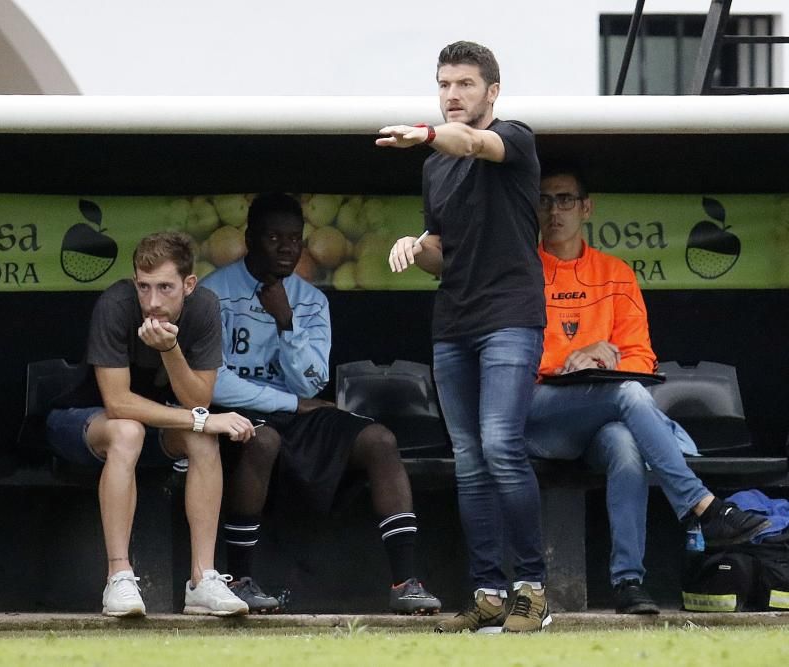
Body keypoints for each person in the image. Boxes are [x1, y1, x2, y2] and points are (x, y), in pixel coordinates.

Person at [524, 167, 771, 614]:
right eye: (544, 200)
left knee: (625, 442)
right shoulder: (522, 271)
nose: (554, 210)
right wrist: (569, 361)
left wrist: (604, 356)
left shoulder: (614, 274)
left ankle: (627, 583)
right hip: (541, 414)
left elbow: (641, 359)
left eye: (564, 199)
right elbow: (508, 358)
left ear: (586, 207)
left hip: (598, 416)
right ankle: (701, 506)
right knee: (629, 398)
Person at [200, 193, 441, 615]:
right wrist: (293, 404)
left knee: (379, 439)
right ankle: (239, 579)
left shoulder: (311, 300)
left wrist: (286, 322)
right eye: (274, 237)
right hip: (237, 416)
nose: (286, 248)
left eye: (294, 239)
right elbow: (214, 384)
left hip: (292, 410)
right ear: (249, 238)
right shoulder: (212, 293)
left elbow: (312, 380)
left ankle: (405, 581)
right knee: (264, 440)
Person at [378, 40, 550, 633]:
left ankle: (532, 589)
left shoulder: (515, 137)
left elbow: (474, 143)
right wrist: (416, 246)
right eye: (445, 85)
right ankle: (488, 595)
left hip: (511, 317)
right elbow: (443, 258)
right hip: (454, 323)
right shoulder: (435, 167)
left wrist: (426, 133)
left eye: (466, 85)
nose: (453, 95)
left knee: (502, 446)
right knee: (470, 463)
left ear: (492, 93)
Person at [45, 231, 254, 617]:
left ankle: (202, 579)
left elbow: (199, 399)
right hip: (79, 422)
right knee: (131, 430)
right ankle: (118, 577)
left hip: (150, 430)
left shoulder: (205, 307)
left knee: (202, 439)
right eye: (144, 286)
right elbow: (118, 402)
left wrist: (170, 351)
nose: (152, 302)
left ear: (189, 285)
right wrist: (200, 419)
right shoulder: (117, 304)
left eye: (164, 288)